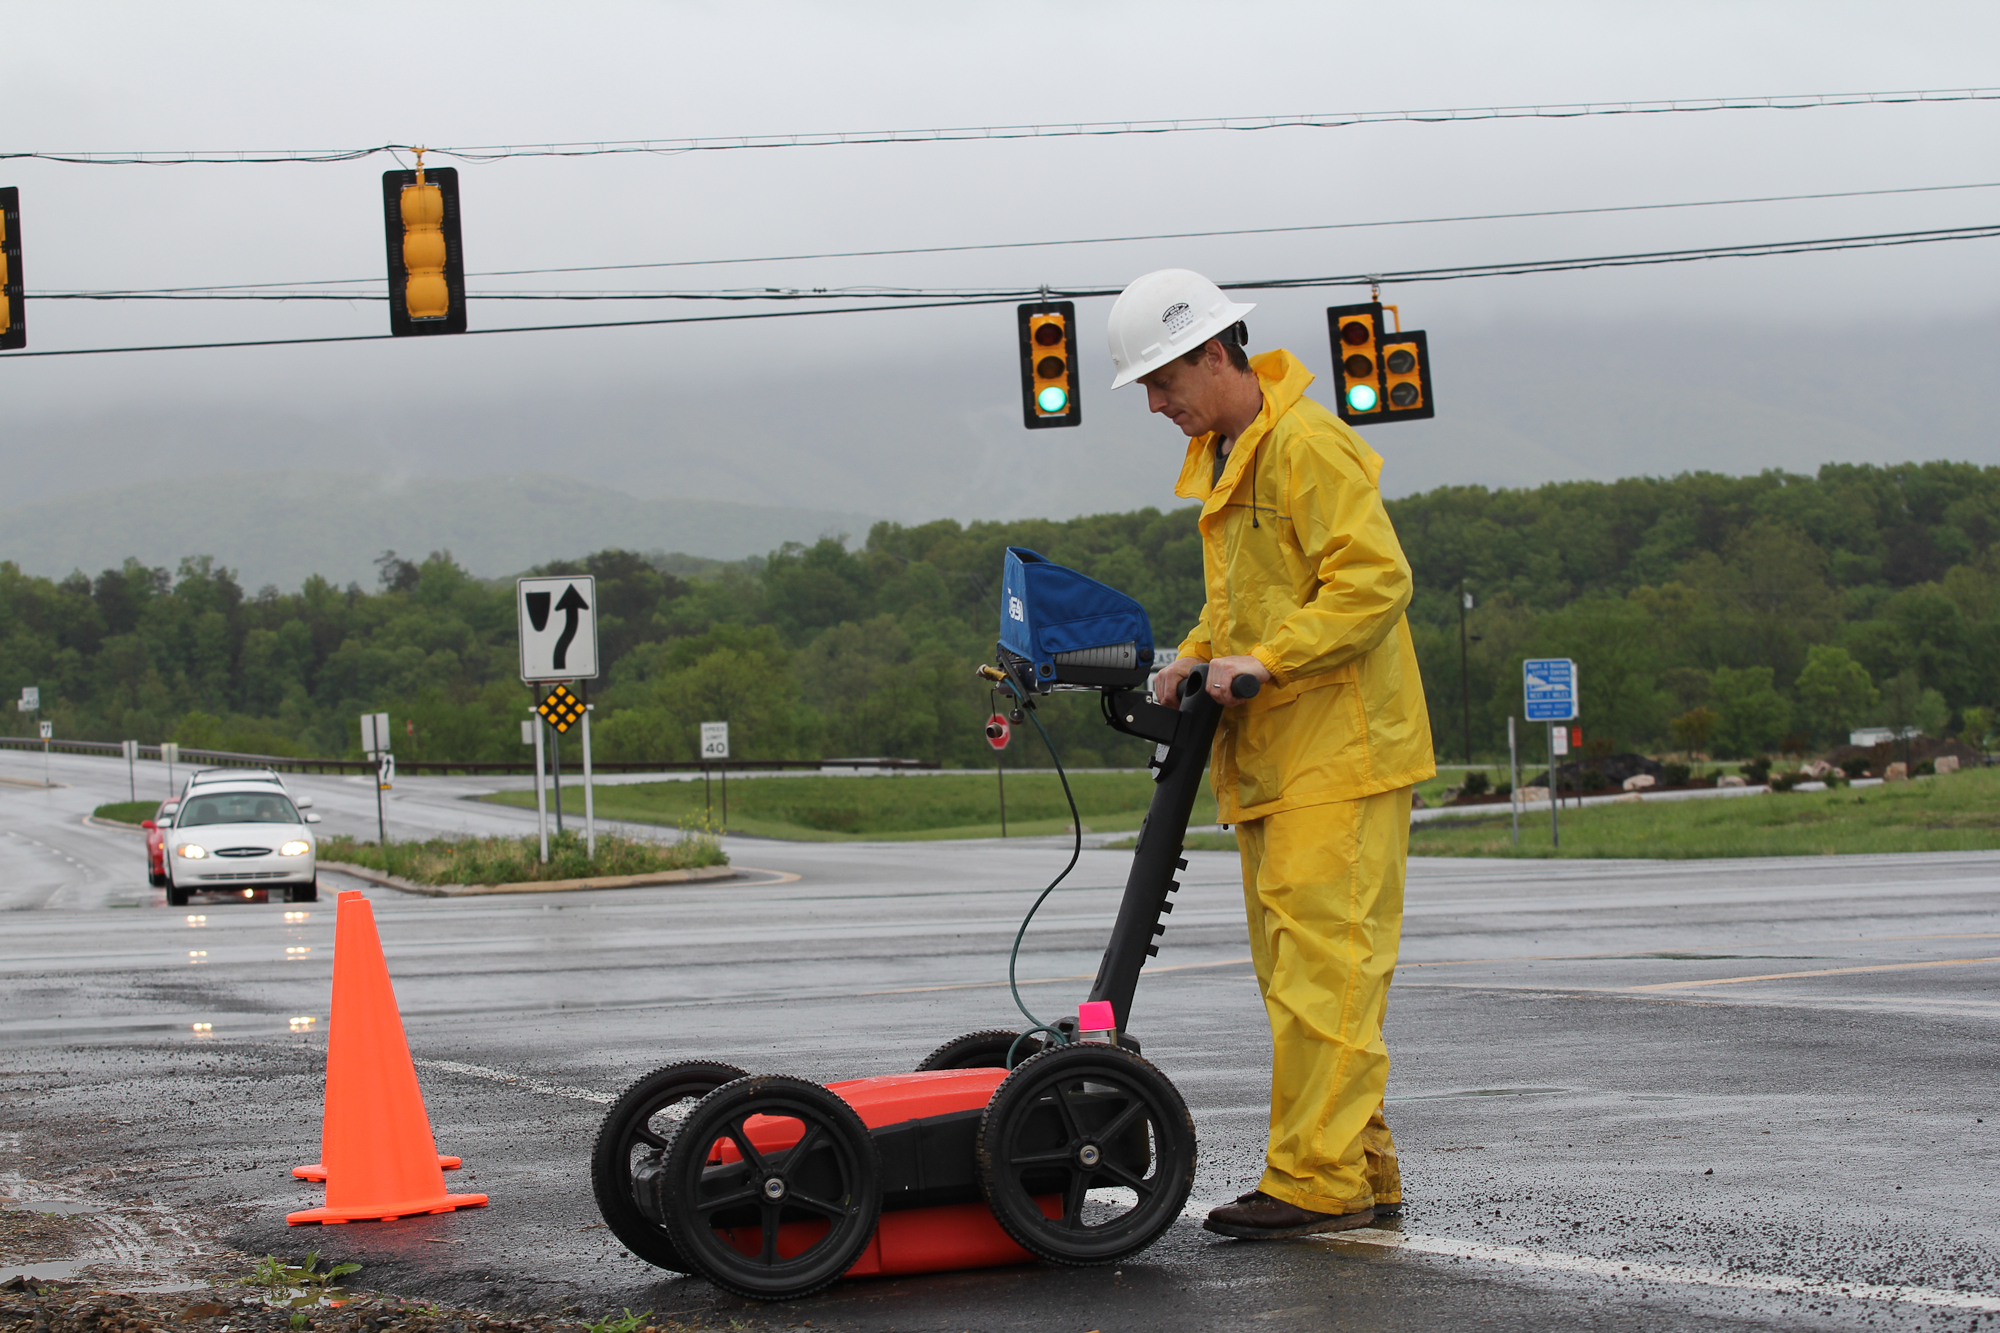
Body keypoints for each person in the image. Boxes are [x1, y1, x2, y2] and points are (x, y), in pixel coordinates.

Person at [1107, 269, 1435, 1240]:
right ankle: (1359, 1167)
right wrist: (1197, 656)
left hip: (1339, 750)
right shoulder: (1229, 454)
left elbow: (1373, 580)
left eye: (1164, 382)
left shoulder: (1304, 443)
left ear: (1215, 353)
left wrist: (1267, 661)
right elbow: (1242, 598)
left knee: (1321, 972)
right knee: (1301, 975)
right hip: (1276, 759)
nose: (1157, 405)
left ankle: (1312, 1179)